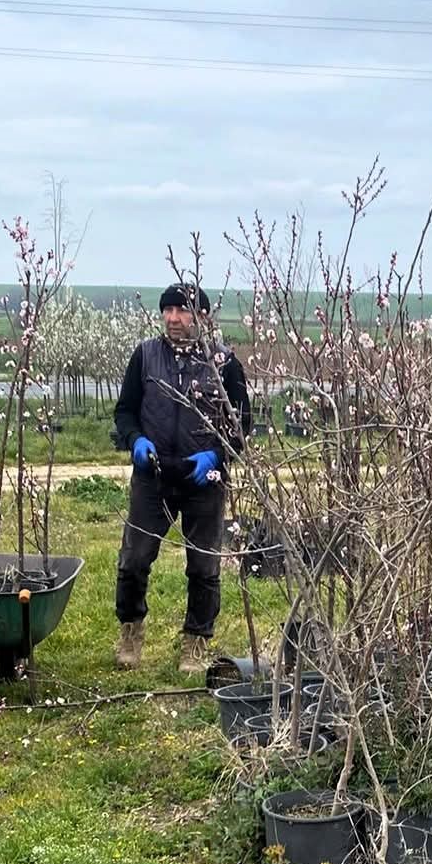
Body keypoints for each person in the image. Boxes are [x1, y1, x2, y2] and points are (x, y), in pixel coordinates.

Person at [112, 282, 250, 673]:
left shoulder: (223, 363)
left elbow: (242, 425)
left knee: (204, 564)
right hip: (152, 475)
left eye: (183, 310)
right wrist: (135, 440)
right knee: (135, 558)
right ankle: (131, 630)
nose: (174, 318)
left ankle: (196, 640)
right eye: (168, 310)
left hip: (202, 479)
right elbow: (125, 411)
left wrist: (217, 456)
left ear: (203, 316)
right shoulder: (145, 356)